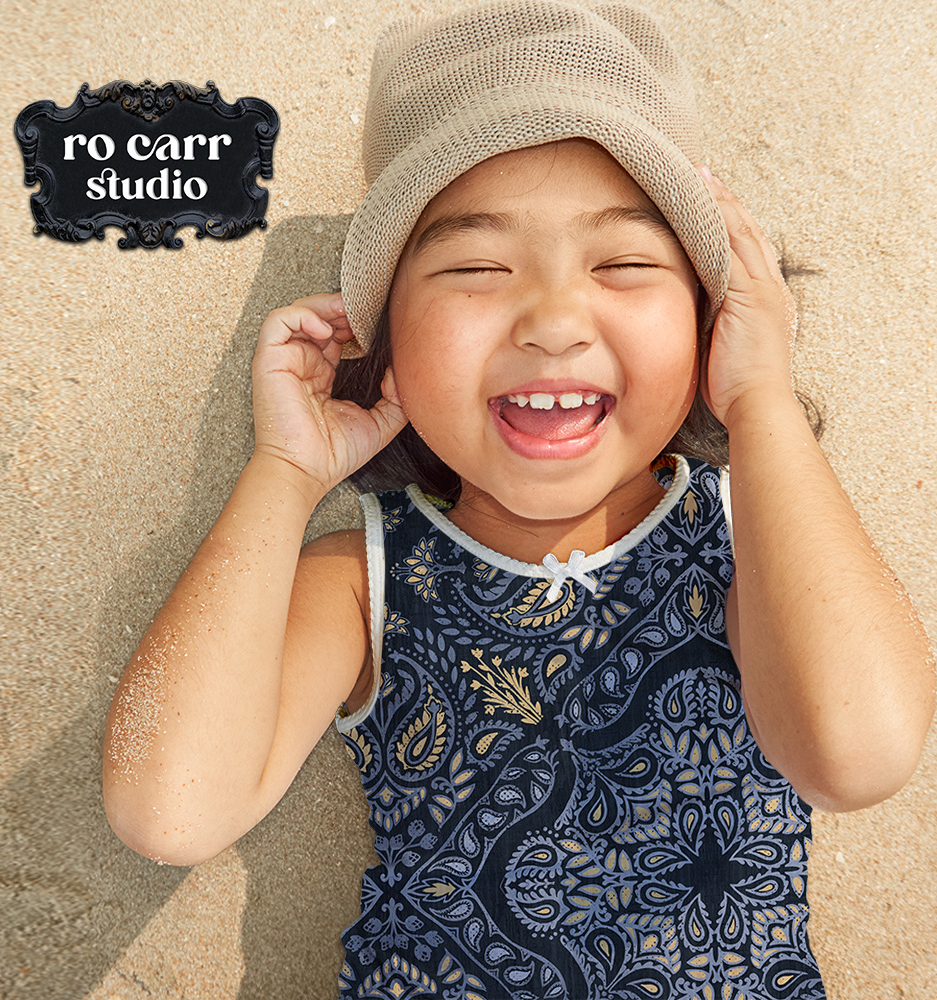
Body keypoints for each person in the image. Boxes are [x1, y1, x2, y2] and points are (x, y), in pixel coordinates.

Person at [103, 2, 935, 997]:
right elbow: (169, 809)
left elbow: (859, 755)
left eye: (624, 263)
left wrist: (760, 402)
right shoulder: (364, 576)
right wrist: (283, 476)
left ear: (711, 314)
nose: (551, 320)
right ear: (383, 336)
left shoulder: (755, 542)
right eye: (474, 269)